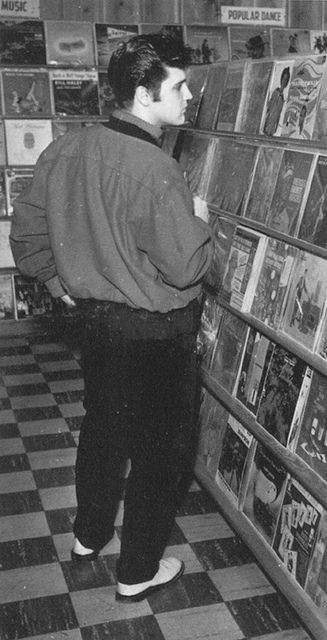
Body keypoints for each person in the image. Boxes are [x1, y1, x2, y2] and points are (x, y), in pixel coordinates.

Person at [10, 34, 213, 603]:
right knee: (159, 453)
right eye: (179, 85)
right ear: (145, 95)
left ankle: (88, 537)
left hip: (97, 328)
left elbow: (26, 241)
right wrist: (200, 221)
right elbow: (184, 268)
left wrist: (60, 285)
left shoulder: (64, 151)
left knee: (102, 432)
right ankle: (138, 570)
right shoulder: (156, 167)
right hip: (158, 335)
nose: (190, 94)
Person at [263, 66, 291, 136]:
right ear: (281, 79)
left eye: (286, 79)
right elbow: (269, 108)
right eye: (283, 79)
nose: (284, 81)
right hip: (268, 123)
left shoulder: (283, 97)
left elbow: (279, 113)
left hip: (273, 127)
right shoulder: (275, 92)